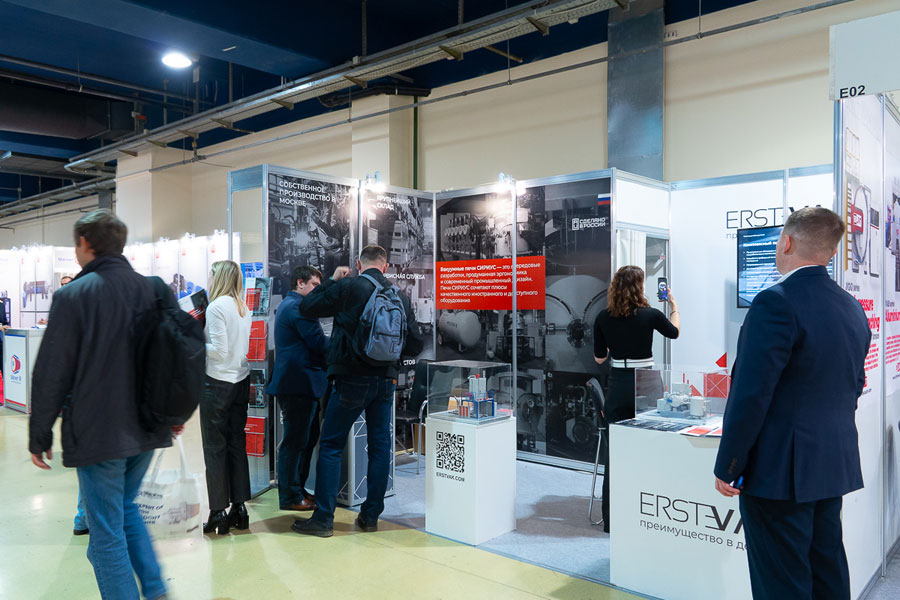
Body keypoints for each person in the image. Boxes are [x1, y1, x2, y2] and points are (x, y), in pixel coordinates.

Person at [714, 207, 870, 600]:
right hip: (830, 463)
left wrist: (729, 464)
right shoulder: (852, 307)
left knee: (781, 583)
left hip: (779, 473)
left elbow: (751, 393)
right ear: (830, 252)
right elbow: (854, 385)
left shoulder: (775, 302)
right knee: (827, 572)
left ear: (786, 243)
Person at [29, 209, 176, 600]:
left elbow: (52, 372)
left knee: (106, 533)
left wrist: (39, 434)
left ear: (84, 244)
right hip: (148, 427)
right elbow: (179, 356)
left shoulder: (73, 296)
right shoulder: (153, 289)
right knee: (126, 509)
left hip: (99, 432)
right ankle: (157, 590)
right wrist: (175, 414)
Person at [294, 245, 424, 537]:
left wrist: (332, 280)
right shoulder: (399, 295)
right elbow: (416, 343)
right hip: (385, 382)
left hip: (350, 378)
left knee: (331, 445)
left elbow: (307, 306)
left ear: (358, 264)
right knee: (379, 448)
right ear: (386, 266)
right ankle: (370, 516)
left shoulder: (349, 286)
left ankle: (324, 519)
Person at [593, 265, 680, 533]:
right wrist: (674, 307)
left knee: (615, 454)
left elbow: (599, 358)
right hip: (647, 384)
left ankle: (611, 520)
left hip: (618, 384)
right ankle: (650, 517)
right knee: (652, 448)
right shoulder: (651, 314)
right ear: (639, 287)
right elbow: (674, 332)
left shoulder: (602, 317)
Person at [266, 265, 328, 512]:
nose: (316, 290)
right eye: (314, 285)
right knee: (295, 443)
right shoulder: (297, 307)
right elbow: (318, 343)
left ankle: (298, 490)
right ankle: (291, 495)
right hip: (297, 384)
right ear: (300, 283)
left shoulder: (292, 305)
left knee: (306, 440)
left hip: (302, 383)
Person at [200, 260, 252, 535]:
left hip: (217, 383)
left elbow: (219, 351)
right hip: (240, 380)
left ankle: (218, 511)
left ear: (218, 277)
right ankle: (239, 508)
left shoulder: (216, 307)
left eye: (210, 274)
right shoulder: (243, 307)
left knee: (214, 447)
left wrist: (195, 340)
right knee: (236, 444)